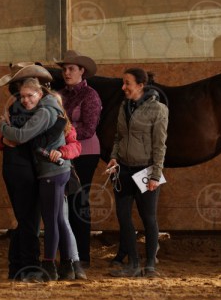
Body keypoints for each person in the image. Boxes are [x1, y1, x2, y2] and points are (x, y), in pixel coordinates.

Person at [0, 63, 85, 281]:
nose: (25, 97)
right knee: (42, 220)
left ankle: (59, 264)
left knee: (48, 219)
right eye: (22, 92)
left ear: (40, 91)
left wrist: (62, 152)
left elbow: (71, 142)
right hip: (35, 170)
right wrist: (5, 137)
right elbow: (16, 139)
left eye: (30, 92)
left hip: (45, 170)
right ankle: (44, 265)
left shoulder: (46, 109)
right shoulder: (20, 107)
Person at [106, 68, 168, 278]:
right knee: (123, 217)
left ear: (141, 86)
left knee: (148, 218)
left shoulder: (158, 110)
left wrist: (155, 175)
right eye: (123, 83)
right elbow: (118, 137)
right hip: (123, 169)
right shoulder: (124, 106)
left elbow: (160, 145)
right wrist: (114, 157)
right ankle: (132, 263)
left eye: (127, 83)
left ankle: (150, 265)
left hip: (146, 169)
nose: (123, 87)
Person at [55, 50, 102, 267]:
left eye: (71, 69)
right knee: (63, 202)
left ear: (82, 71)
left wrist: (62, 136)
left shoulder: (90, 95)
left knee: (79, 201)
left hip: (85, 153)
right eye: (64, 69)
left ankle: (82, 255)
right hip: (65, 151)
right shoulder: (59, 94)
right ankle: (68, 253)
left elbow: (89, 129)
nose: (67, 73)